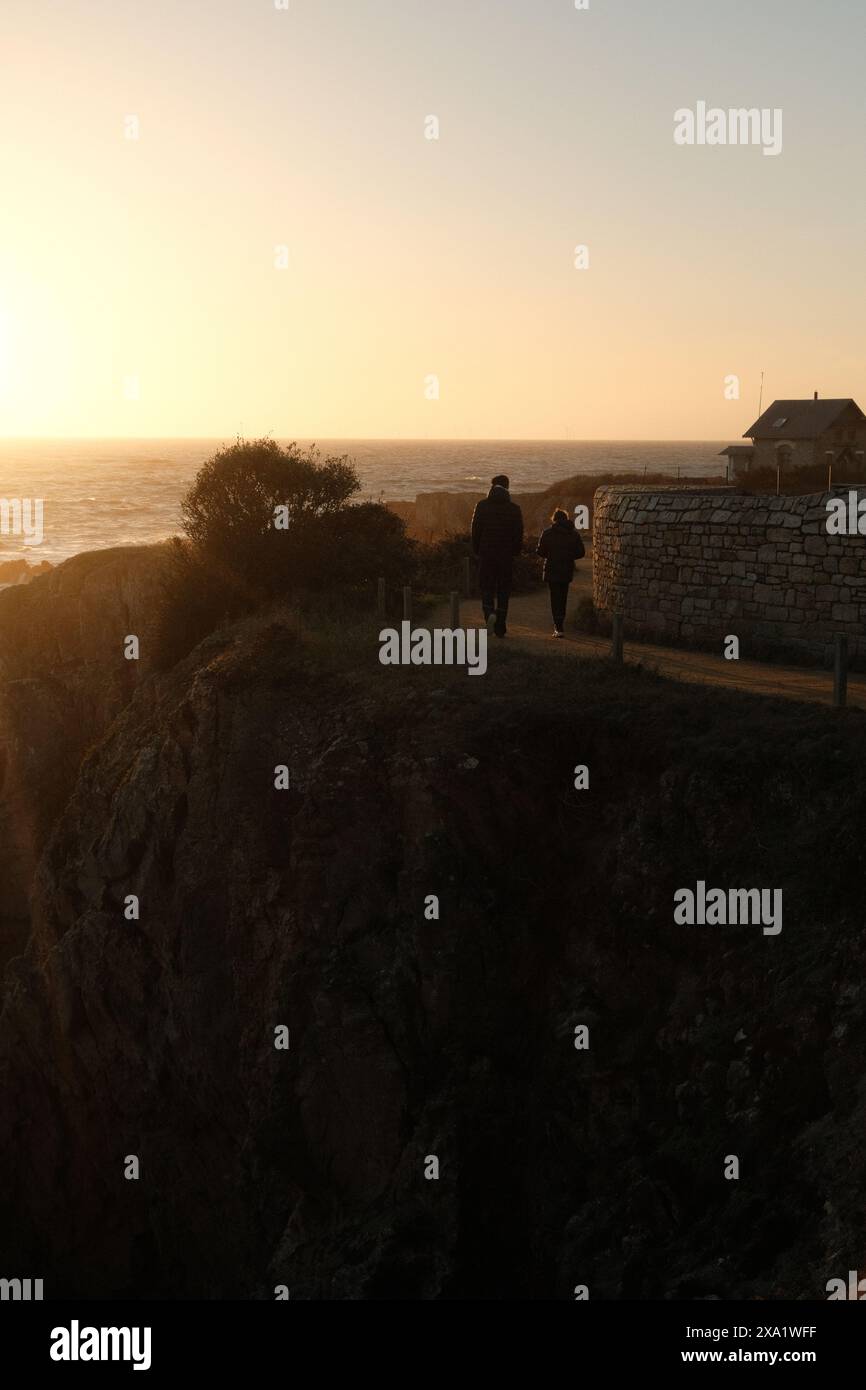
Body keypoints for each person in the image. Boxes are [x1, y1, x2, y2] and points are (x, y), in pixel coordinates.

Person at [470, 474, 524, 637]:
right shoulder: (514, 509)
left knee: (486, 587)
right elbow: (518, 534)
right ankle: (500, 626)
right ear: (507, 488)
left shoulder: (482, 506)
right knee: (503, 590)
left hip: (487, 554)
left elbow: (475, 531)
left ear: (492, 487)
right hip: (506, 556)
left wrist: (477, 550)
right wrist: (515, 552)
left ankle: (489, 615)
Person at [536, 508, 585, 637]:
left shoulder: (547, 533)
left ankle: (557, 627)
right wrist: (568, 556)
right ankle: (560, 624)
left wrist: (550, 555)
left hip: (552, 569)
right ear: (566, 519)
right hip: (566, 569)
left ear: (554, 519)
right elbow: (581, 552)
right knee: (563, 597)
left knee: (554, 597)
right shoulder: (573, 534)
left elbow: (540, 551)